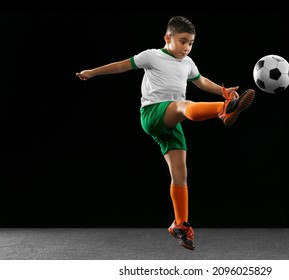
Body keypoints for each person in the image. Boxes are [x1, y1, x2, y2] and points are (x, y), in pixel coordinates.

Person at [76, 15, 255, 250]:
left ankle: (180, 225)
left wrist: (223, 91)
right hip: (152, 114)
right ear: (167, 38)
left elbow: (201, 82)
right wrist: (92, 71)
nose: (187, 47)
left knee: (180, 173)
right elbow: (121, 65)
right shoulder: (152, 55)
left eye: (191, 43)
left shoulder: (188, 62)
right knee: (183, 105)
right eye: (182, 41)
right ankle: (223, 112)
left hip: (171, 122)